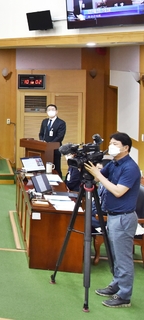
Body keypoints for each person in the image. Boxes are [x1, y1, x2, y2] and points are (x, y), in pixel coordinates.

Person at [84, 132, 140, 308]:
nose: (111, 146)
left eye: (115, 143)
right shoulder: (114, 164)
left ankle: (124, 296)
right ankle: (116, 284)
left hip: (124, 218)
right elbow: (97, 176)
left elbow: (117, 191)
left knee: (123, 259)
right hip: (113, 216)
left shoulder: (130, 168)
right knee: (115, 256)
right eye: (110, 143)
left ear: (126, 148)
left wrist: (98, 175)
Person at [38, 104, 66, 174]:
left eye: (52, 110)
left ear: (56, 112)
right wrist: (42, 140)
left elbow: (60, 136)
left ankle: (59, 182)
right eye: (49, 110)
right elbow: (41, 133)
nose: (51, 111)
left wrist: (50, 145)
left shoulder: (61, 123)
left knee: (56, 168)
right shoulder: (44, 121)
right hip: (44, 148)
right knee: (45, 167)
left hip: (55, 148)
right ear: (46, 112)